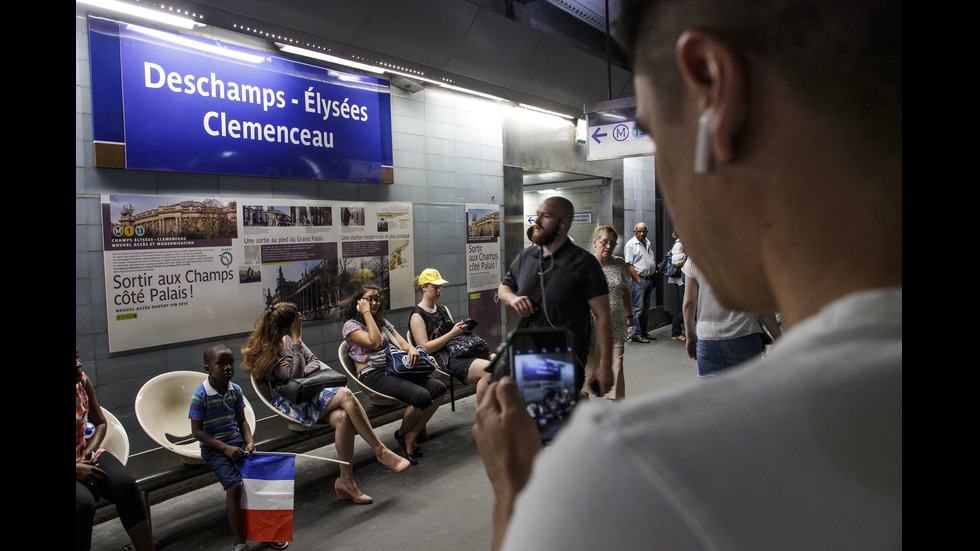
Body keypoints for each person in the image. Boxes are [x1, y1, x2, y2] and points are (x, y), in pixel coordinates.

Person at [473, 0, 901, 548]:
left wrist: (517, 492)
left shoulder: (628, 475)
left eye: (656, 132)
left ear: (715, 94)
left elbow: (604, 317)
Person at [241, 303, 410, 504]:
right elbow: (294, 376)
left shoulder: (287, 340)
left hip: (308, 393)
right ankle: (380, 450)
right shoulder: (267, 351)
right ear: (287, 327)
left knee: (343, 417)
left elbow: (312, 362)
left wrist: (298, 366)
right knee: (346, 395)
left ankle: (346, 482)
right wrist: (297, 343)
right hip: (290, 402)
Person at [497, 196, 613, 395]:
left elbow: (603, 316)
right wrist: (513, 299)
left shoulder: (584, 264)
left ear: (563, 224)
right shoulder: (526, 257)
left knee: (550, 419)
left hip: (563, 357)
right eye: (537, 215)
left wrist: (606, 366)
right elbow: (503, 289)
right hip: (525, 352)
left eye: (546, 216)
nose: (537, 221)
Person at [190, 344, 287, 551]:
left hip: (237, 441)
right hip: (214, 448)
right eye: (221, 364)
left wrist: (249, 441)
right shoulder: (200, 396)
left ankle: (269, 531)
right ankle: (239, 541)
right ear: (207, 368)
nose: (228, 368)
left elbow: (242, 422)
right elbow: (197, 432)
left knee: (260, 480)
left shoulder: (236, 390)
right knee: (234, 487)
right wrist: (224, 448)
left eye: (231, 363)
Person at [343, 285, 447, 465]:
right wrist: (367, 314)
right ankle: (401, 434)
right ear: (359, 302)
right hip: (372, 374)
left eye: (377, 299)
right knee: (421, 397)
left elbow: (401, 342)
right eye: (369, 299)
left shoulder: (382, 322)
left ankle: (410, 436)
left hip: (393, 368)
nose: (374, 303)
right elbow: (374, 343)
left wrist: (412, 349)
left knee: (438, 388)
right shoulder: (351, 325)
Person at [76, 348, 156, 551]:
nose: (78, 364)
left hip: (82, 453)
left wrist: (89, 454)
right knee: (83, 504)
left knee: (125, 484)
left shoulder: (82, 382)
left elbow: (100, 423)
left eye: (77, 356)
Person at [682, 258, 780, 376]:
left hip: (706, 338)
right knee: (746, 391)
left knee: (711, 391)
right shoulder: (745, 256)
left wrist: (690, 336)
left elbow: (689, 303)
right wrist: (779, 338)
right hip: (742, 334)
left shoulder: (694, 258)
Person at [409, 268, 492, 403]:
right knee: (488, 370)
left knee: (497, 361)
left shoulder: (443, 309)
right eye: (435, 287)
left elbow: (454, 339)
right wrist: (452, 333)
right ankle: (484, 416)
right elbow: (424, 348)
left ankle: (498, 409)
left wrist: (460, 331)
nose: (439, 290)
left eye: (440, 287)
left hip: (455, 352)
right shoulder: (417, 315)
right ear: (423, 287)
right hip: (441, 359)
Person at [583, 225, 632, 400]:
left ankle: (617, 413)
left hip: (616, 325)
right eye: (605, 242)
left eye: (612, 243)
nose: (609, 246)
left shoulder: (619, 264)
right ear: (595, 243)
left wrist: (630, 316)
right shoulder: (586, 265)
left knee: (616, 367)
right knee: (589, 371)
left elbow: (625, 292)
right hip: (591, 327)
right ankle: (586, 415)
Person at [624, 222, 658, 342]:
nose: (642, 233)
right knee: (637, 309)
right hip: (639, 281)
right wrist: (638, 280)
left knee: (645, 310)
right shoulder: (631, 245)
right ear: (634, 232)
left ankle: (644, 332)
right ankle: (636, 335)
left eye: (644, 231)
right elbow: (629, 265)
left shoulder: (647, 242)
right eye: (639, 231)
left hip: (648, 280)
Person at [668, 231, 687, 341]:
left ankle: (679, 326)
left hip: (683, 280)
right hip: (681, 281)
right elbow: (677, 263)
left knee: (682, 305)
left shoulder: (683, 243)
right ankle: (676, 332)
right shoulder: (679, 244)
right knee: (680, 306)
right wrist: (688, 258)